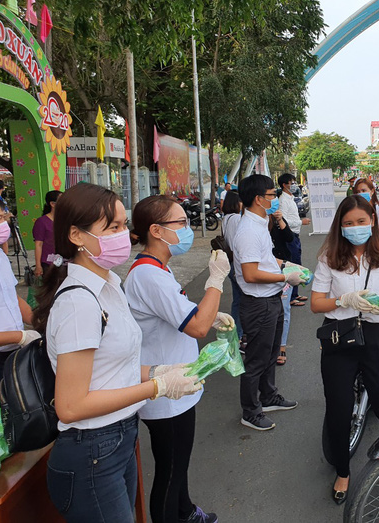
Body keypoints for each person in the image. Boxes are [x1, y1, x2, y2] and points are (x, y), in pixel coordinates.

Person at [32, 183, 202, 523]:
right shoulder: (80, 302)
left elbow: (113, 367)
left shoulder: (109, 284)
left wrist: (156, 373)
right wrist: (156, 387)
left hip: (118, 437)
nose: (124, 234)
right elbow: (71, 406)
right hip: (93, 448)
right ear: (77, 236)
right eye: (112, 227)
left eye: (124, 225)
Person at [125, 195, 233, 523]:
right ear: (156, 231)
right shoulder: (149, 275)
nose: (187, 228)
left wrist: (209, 312)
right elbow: (197, 327)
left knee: (178, 464)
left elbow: (183, 315)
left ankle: (186, 512)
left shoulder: (160, 268)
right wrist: (215, 280)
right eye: (181, 223)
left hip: (177, 385)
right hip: (166, 392)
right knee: (170, 471)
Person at [311, 195, 379, 504]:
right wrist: (343, 301)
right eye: (348, 223)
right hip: (340, 339)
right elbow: (315, 303)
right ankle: (343, 471)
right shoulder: (329, 257)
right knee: (338, 409)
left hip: (375, 336)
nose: (355, 228)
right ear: (340, 226)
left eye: (361, 221)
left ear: (372, 221)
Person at [233, 174, 305, 431]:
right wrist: (284, 276)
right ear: (258, 199)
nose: (275, 200)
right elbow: (251, 273)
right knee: (256, 359)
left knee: (271, 353)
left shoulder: (260, 223)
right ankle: (250, 411)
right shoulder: (249, 231)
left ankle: (269, 396)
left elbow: (265, 260)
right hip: (258, 302)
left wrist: (285, 265)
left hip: (270, 298)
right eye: (272, 195)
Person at [0, 191, 39, 404]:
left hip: (14, 357)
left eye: (4, 218)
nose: (3, 225)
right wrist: (20, 336)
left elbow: (12, 299)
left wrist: (40, 322)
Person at [278, 173, 310, 307]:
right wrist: (300, 222)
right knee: (292, 265)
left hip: (295, 235)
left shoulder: (291, 198)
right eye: (291, 183)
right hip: (290, 236)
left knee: (296, 264)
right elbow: (283, 220)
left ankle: (295, 294)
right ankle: (290, 296)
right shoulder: (283, 200)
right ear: (285, 185)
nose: (294, 185)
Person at [268, 208, 294, 366]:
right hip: (265, 271)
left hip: (284, 268)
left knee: (284, 309)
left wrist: (280, 220)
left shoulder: (279, 222)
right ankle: (270, 345)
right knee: (268, 310)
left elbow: (290, 238)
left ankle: (281, 347)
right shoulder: (258, 224)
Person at [221, 191, 244, 338]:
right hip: (237, 264)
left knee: (237, 301)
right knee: (243, 302)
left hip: (230, 263)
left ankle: (235, 333)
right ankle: (240, 335)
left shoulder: (225, 219)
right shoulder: (236, 219)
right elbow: (239, 244)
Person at [33, 190, 63, 276]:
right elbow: (38, 244)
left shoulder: (64, 220)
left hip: (64, 261)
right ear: (52, 204)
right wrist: (38, 266)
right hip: (48, 263)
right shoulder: (41, 222)